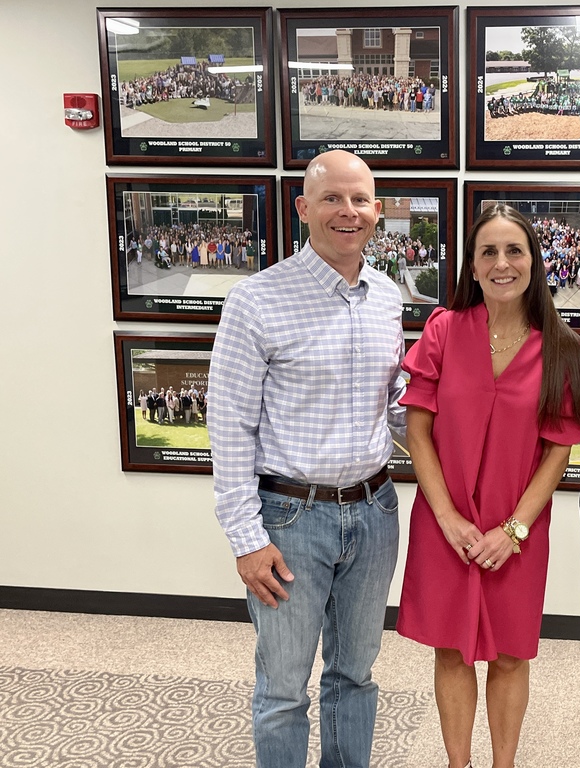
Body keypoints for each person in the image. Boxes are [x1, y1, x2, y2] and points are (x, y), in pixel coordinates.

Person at [208, 150, 406, 768]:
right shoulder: (256, 299)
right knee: (283, 688)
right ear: (303, 208)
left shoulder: (387, 297)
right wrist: (245, 537)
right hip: (291, 521)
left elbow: (395, 404)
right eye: (332, 199)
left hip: (375, 513)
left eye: (360, 200)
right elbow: (230, 424)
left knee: (356, 675)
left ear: (376, 211)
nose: (348, 213)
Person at [396, 204, 580, 768]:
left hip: (517, 530)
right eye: (489, 252)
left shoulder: (564, 350)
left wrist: (513, 529)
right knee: (452, 650)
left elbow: (560, 449)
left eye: (515, 251)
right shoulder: (443, 330)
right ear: (474, 266)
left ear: (535, 261)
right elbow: (418, 428)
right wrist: (449, 518)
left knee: (509, 654)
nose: (502, 263)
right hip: (445, 523)